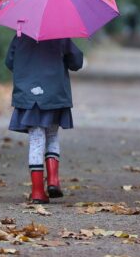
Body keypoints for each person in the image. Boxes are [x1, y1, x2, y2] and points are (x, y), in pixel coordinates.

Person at [5, 34, 83, 204]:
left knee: (36, 140)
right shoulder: (61, 35)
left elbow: (10, 62)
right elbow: (76, 62)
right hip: (53, 95)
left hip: (28, 95)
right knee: (52, 136)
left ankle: (38, 191)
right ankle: (53, 180)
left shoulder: (20, 35)